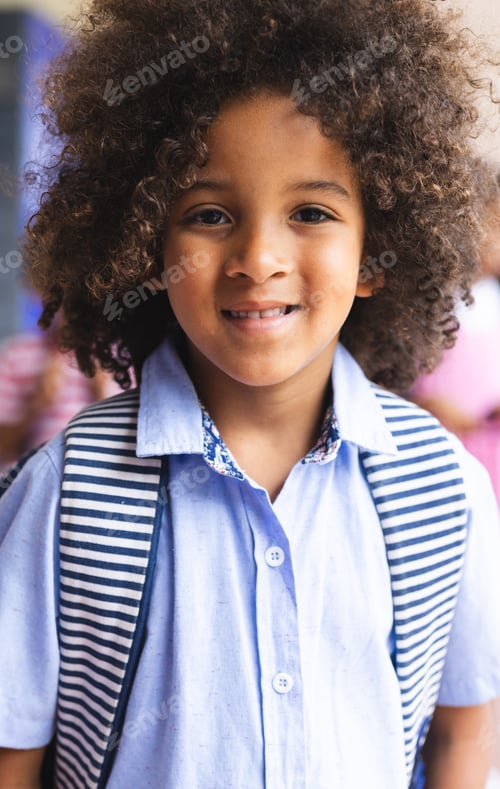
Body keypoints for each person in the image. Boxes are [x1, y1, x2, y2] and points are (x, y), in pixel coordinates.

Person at [0, 1, 499, 787]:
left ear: (377, 253)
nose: (259, 256)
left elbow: (466, 737)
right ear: (144, 246)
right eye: (208, 214)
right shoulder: (63, 494)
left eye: (311, 212)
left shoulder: (445, 488)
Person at [411, 177, 500, 504]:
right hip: (437, 441)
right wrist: (429, 405)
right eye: (488, 228)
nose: (494, 243)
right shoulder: (430, 304)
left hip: (491, 449)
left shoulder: (494, 300)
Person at [0, 319, 121, 471]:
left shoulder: (121, 357)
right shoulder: (17, 353)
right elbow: (4, 445)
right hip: (31, 476)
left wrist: (104, 396)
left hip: (95, 473)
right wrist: (37, 405)